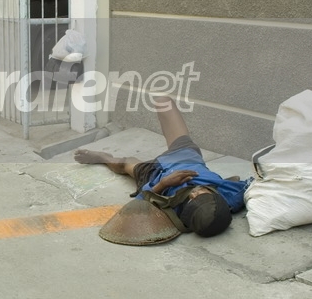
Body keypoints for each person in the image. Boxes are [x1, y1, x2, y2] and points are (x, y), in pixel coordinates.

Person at [75, 95, 249, 238]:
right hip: (184, 155)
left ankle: (103, 157)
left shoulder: (174, 209)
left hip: (153, 173)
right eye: (201, 195)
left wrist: (164, 184)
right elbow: (255, 184)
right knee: (164, 102)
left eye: (191, 199)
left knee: (124, 163)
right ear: (219, 199)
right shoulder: (232, 195)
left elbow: (137, 205)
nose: (194, 193)